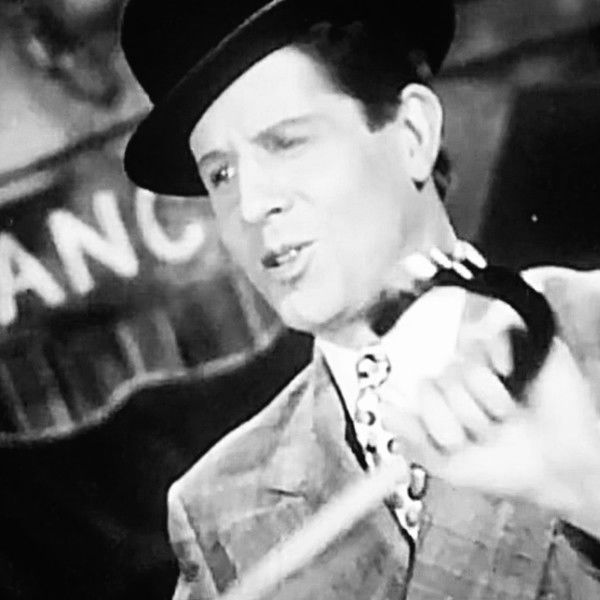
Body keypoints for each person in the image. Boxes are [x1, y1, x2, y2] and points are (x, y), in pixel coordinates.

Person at [120, 0, 600, 598]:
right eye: (221, 174)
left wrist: (586, 484)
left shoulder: (590, 327)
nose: (251, 204)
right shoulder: (220, 505)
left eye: (286, 142)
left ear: (413, 134)